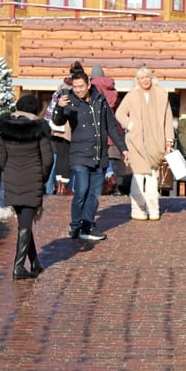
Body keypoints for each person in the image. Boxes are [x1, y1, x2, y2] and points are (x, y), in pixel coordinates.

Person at [53, 70, 130, 240]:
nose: (78, 90)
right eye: (75, 87)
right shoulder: (70, 101)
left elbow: (111, 127)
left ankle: (87, 225)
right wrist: (59, 107)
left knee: (94, 194)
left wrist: (124, 148)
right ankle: (75, 225)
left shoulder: (100, 100)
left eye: (81, 86)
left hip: (99, 154)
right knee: (81, 191)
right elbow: (57, 121)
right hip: (79, 154)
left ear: (89, 85)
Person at [0, 94, 54, 279]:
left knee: (24, 223)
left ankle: (35, 263)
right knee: (26, 224)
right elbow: (47, 160)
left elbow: (0, 159)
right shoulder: (39, 130)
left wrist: (10, 171)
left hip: (13, 179)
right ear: (35, 110)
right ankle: (18, 267)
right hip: (32, 179)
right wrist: (42, 178)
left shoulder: (5, 129)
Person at [115, 66, 175, 220]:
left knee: (152, 177)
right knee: (138, 176)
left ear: (151, 78)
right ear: (138, 80)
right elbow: (120, 113)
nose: (145, 80)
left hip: (156, 141)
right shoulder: (132, 95)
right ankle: (138, 209)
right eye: (142, 78)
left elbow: (168, 120)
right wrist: (130, 125)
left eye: (147, 77)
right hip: (136, 142)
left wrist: (169, 140)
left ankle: (153, 209)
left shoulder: (162, 95)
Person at [44, 61, 84, 195]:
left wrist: (49, 124)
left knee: (56, 160)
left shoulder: (60, 89)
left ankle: (53, 189)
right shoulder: (79, 90)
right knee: (69, 160)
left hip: (57, 130)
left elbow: (50, 111)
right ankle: (67, 188)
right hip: (69, 130)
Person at [90, 64, 128, 195]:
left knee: (98, 161)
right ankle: (116, 186)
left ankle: (102, 186)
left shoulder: (91, 90)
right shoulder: (113, 91)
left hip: (97, 131)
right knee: (114, 161)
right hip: (113, 132)